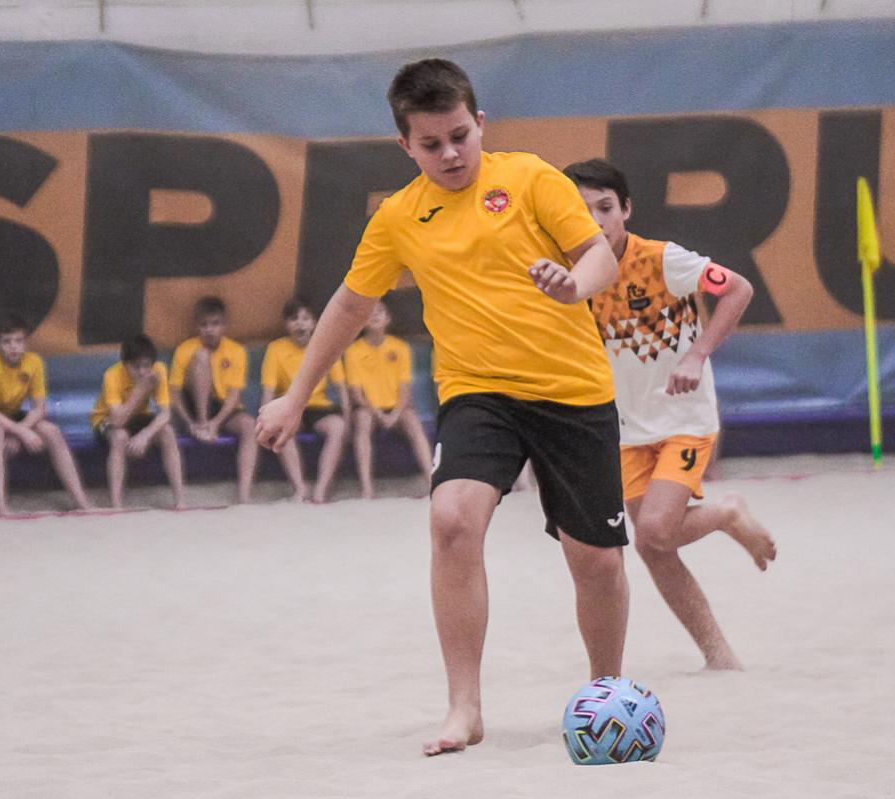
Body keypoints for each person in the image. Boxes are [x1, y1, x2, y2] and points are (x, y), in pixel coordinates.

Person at [256, 59, 628, 756]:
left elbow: (599, 254)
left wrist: (573, 285)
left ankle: (607, 694)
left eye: (460, 135)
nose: (450, 153)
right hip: (476, 391)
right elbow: (350, 304)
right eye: (431, 144)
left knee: (597, 562)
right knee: (452, 520)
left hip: (571, 390)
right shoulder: (398, 217)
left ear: (479, 123)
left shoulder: (531, 179)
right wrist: (296, 395)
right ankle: (464, 707)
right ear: (405, 145)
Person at [564, 158, 777, 670]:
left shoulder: (663, 260)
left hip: (684, 419)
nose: (595, 220)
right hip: (624, 429)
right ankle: (718, 656)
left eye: (605, 207)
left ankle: (727, 513)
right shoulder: (572, 276)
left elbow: (739, 288)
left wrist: (697, 354)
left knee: (656, 532)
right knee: (654, 548)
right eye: (582, 210)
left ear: (626, 209)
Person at [0, 314, 91, 516]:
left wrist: (18, 432)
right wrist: (21, 432)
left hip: (10, 415)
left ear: (26, 342)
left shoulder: (34, 362)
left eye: (19, 341)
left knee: (52, 431)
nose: (14, 347)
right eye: (7, 342)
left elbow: (40, 408)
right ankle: (1, 509)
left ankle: (81, 502)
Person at [168, 296, 258, 505]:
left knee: (250, 426)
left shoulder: (236, 350)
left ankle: (244, 495)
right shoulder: (185, 349)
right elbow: (174, 393)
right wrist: (191, 423)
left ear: (224, 325)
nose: (209, 330)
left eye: (215, 324)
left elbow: (234, 395)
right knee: (201, 356)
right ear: (197, 326)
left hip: (223, 408)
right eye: (204, 325)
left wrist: (216, 423)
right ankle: (202, 424)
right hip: (193, 406)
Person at [260, 299, 349, 503]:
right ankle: (299, 488)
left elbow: (341, 389)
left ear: (315, 323)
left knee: (338, 427)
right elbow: (268, 390)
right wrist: (266, 420)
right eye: (294, 319)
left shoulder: (326, 345)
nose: (300, 324)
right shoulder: (276, 349)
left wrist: (347, 418)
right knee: (280, 429)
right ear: (286, 324)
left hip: (319, 406)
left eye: (305, 319)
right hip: (290, 405)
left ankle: (321, 490)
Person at [344, 300, 433, 499]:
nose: (375, 315)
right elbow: (356, 394)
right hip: (369, 408)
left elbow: (405, 389)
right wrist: (379, 415)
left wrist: (395, 414)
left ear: (388, 319)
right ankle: (367, 488)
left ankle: (431, 480)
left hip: (397, 407)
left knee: (414, 423)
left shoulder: (401, 347)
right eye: (370, 312)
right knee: (363, 421)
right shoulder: (353, 351)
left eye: (380, 312)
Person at [91, 334, 186, 510]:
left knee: (168, 432)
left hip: (139, 416)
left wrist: (145, 435)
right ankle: (116, 504)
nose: (142, 372)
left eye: (146, 366)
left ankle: (180, 501)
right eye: (136, 367)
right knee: (119, 436)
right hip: (106, 418)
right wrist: (140, 389)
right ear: (125, 364)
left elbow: (165, 414)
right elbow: (117, 421)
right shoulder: (112, 375)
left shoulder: (158, 370)